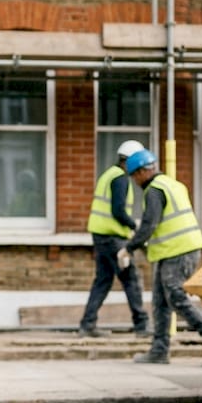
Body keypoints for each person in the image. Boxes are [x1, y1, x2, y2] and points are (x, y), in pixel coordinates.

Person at [121, 148, 202, 367]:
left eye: (134, 176)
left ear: (142, 172)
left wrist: (129, 248)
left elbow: (149, 225)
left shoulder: (154, 191)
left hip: (179, 251)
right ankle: (159, 351)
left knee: (177, 299)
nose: (134, 181)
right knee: (161, 303)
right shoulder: (172, 184)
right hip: (173, 251)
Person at [78, 140, 151, 338]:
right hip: (113, 238)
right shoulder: (120, 178)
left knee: (103, 280)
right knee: (131, 279)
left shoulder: (108, 174)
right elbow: (118, 210)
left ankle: (87, 324)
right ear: (130, 161)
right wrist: (134, 225)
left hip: (101, 235)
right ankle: (142, 326)